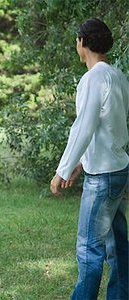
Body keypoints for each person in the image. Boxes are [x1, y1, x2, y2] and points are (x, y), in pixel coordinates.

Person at [50, 18, 129, 300]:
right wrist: (81, 163)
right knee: (118, 245)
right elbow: (109, 128)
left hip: (104, 178)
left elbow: (83, 128)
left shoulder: (93, 78)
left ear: (82, 41)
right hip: (119, 169)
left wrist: (63, 170)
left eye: (76, 40)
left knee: (88, 250)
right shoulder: (118, 76)